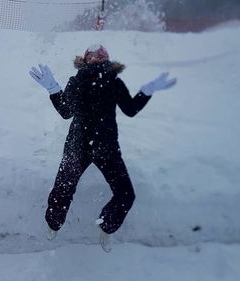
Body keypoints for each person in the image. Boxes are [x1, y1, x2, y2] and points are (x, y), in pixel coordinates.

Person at [29, 44, 176, 252]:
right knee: (62, 190)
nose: (97, 59)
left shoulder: (113, 82)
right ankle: (53, 225)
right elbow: (65, 111)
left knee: (126, 194)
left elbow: (131, 109)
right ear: (86, 60)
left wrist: (147, 91)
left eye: (101, 56)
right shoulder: (78, 81)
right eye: (93, 56)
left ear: (106, 60)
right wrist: (53, 88)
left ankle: (107, 227)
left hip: (105, 148)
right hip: (78, 145)